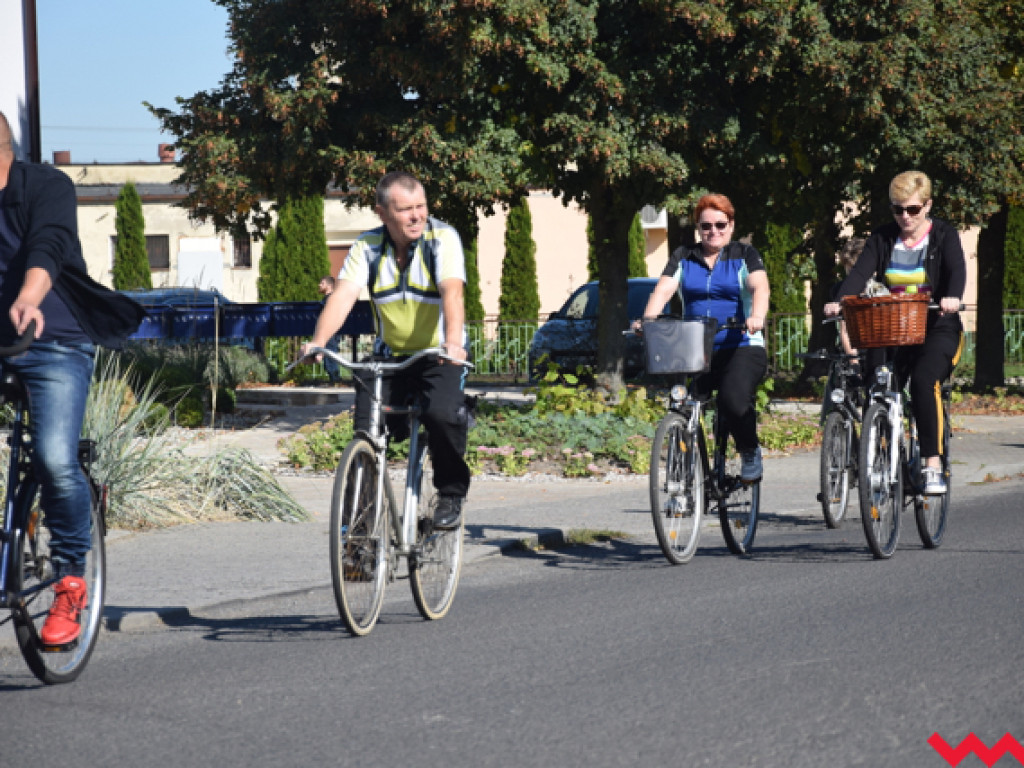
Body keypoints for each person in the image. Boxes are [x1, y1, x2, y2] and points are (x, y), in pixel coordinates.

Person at [0, 111, 144, 644]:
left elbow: (50, 245)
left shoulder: (47, 186)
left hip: (54, 338)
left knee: (55, 459)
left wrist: (28, 298)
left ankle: (69, 582)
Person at [304, 171, 471, 530]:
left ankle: (450, 493)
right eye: (406, 209)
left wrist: (453, 343)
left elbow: (452, 293)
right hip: (390, 356)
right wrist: (319, 340)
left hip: (437, 354)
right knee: (366, 435)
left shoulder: (443, 239)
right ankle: (359, 540)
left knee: (442, 415)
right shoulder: (367, 246)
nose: (417, 216)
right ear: (382, 213)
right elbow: (344, 294)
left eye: (421, 206)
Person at [824, 170, 965, 495]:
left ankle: (931, 464)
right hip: (893, 328)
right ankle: (886, 458)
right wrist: (839, 299)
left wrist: (952, 298)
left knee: (924, 380)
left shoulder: (944, 234)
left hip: (937, 326)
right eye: (897, 209)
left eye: (912, 209)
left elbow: (957, 270)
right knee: (876, 384)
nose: (905, 216)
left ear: (927, 205)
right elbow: (860, 273)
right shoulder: (882, 237)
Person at [637, 193, 771, 482]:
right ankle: (684, 478)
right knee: (681, 405)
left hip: (741, 345)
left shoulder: (744, 254)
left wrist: (756, 317)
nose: (714, 232)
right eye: (706, 226)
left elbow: (760, 287)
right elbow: (662, 291)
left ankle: (749, 451)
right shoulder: (684, 256)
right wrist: (647, 320)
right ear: (698, 228)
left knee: (733, 400)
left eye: (720, 225)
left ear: (731, 225)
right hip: (696, 349)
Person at [317, 275, 343, 384]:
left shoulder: (331, 299)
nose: (319, 285)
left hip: (330, 331)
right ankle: (334, 378)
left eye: (322, 283)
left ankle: (335, 378)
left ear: (329, 286)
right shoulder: (328, 299)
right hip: (329, 331)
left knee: (330, 355)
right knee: (328, 355)